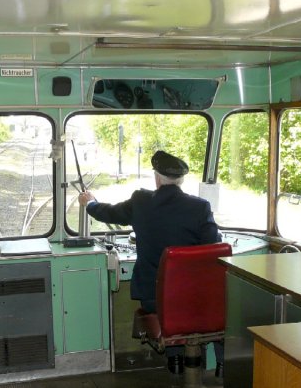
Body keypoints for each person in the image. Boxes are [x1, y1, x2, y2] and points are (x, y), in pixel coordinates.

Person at [79, 150, 223, 375]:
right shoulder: (200, 207)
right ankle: (222, 367)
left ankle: (175, 363)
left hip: (153, 298)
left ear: (157, 177)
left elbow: (109, 213)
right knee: (222, 303)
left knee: (170, 309)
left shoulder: (141, 201)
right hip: (194, 298)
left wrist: (90, 203)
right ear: (181, 180)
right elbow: (214, 247)